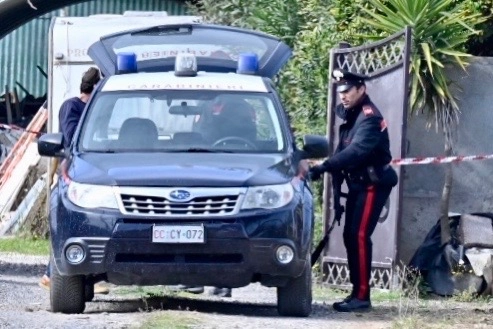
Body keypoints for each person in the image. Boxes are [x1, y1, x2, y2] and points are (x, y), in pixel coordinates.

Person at [309, 68, 398, 312]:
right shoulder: (352, 114)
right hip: (358, 184)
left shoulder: (369, 118)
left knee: (358, 236)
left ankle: (361, 297)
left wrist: (325, 166)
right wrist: (326, 172)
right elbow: (341, 152)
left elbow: (356, 152)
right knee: (350, 236)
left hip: (372, 185)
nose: (343, 96)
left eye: (348, 91)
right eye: (341, 92)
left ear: (362, 89)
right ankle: (356, 293)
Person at [39, 67, 109, 294]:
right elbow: (70, 140)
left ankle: (61, 275)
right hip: (72, 173)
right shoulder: (73, 107)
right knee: (71, 225)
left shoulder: (95, 109)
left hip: (90, 172)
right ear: (94, 87)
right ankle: (54, 275)